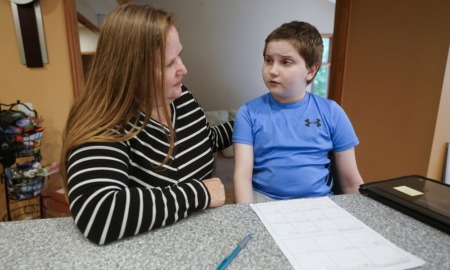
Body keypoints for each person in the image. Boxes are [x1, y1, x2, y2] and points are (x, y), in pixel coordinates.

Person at [60, 3, 233, 245]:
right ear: (131, 72)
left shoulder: (182, 99)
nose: (183, 68)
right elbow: (99, 212)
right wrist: (200, 193)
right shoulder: (106, 126)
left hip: (203, 241)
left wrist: (248, 124)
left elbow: (205, 140)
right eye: (169, 63)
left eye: (179, 55)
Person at [232, 21, 363, 203]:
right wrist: (247, 218)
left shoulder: (332, 112)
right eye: (268, 60)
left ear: (311, 70)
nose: (273, 70)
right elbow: (242, 178)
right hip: (264, 201)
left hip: (319, 203)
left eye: (286, 62)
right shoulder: (248, 113)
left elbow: (350, 183)